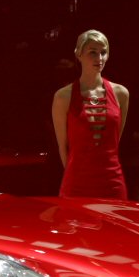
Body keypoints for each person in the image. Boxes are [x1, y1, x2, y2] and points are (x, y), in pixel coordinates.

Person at [52, 29, 130, 199]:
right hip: (77, 184)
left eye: (103, 52)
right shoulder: (63, 97)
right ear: (78, 54)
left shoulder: (121, 94)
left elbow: (115, 141)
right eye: (93, 52)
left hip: (112, 182)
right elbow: (63, 147)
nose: (99, 58)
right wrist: (75, 175)